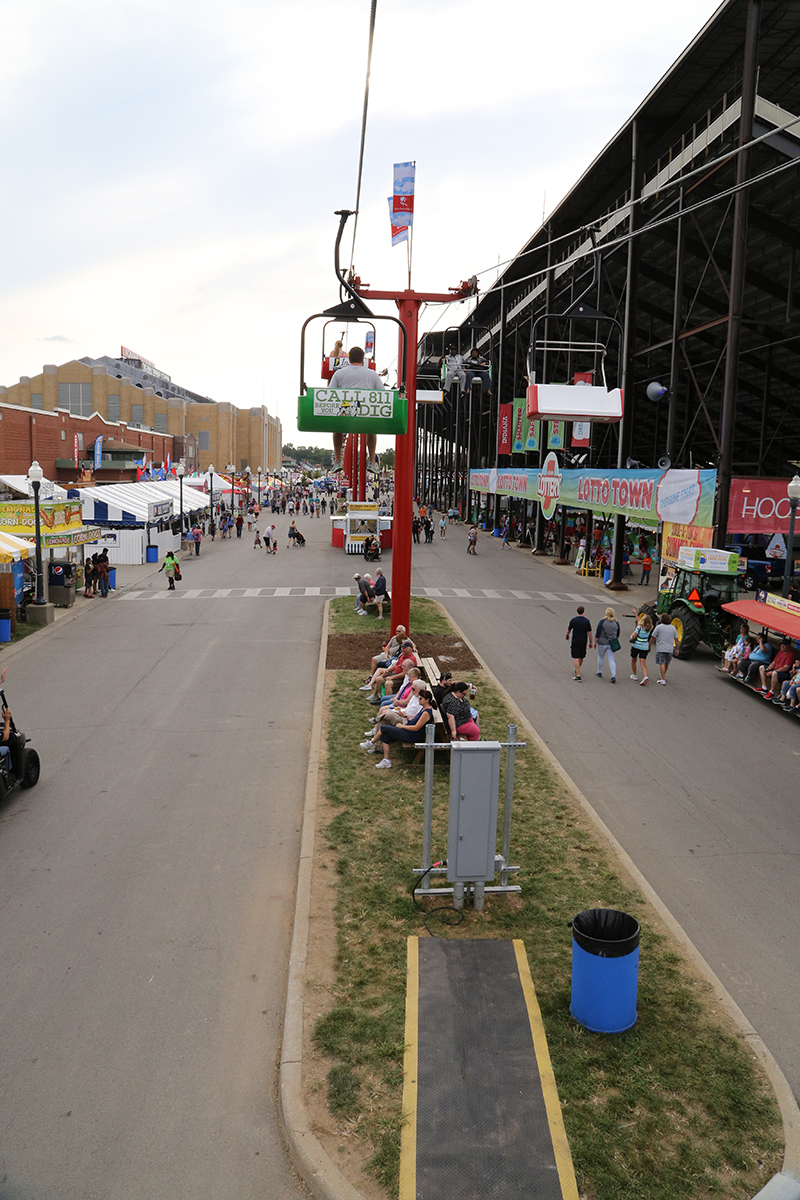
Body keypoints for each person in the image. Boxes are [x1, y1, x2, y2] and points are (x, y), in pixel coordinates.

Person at [329, 347, 383, 474]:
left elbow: (330, 393)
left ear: (349, 359)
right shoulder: (372, 374)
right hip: (366, 414)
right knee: (371, 429)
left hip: (346, 414)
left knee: (338, 429)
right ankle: (372, 461)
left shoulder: (339, 374)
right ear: (362, 359)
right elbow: (382, 393)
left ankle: (337, 460)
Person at [372, 689, 436, 768]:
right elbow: (414, 719)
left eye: (420, 698)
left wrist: (402, 726)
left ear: (427, 700)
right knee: (385, 735)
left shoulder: (426, 713)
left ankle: (372, 743)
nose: (419, 700)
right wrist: (405, 716)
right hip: (409, 731)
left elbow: (416, 728)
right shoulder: (423, 708)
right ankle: (386, 760)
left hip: (412, 735)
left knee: (384, 728)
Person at [566, 606, 593, 681]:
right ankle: (577, 669)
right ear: (583, 611)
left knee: (576, 657)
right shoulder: (586, 621)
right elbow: (589, 633)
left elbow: (569, 629)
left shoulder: (573, 620)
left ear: (577, 611)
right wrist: (591, 642)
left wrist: (567, 635)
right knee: (581, 656)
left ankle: (578, 675)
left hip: (575, 641)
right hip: (583, 641)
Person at [595, 607, 620, 682]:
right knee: (611, 659)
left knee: (601, 657)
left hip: (602, 642)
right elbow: (618, 633)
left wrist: (595, 640)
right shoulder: (616, 623)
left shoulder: (602, 621)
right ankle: (613, 675)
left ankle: (599, 671)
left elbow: (598, 632)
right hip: (611, 643)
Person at [653, 613, 680, 683]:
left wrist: (649, 645)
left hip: (661, 648)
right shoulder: (673, 628)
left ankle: (663, 679)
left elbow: (653, 637)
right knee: (667, 663)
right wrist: (677, 649)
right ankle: (663, 675)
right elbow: (677, 640)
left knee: (662, 662)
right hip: (670, 649)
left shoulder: (659, 627)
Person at [630, 612, 655, 684]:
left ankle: (634, 675)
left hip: (636, 646)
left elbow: (634, 636)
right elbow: (639, 621)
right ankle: (645, 676)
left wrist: (634, 631)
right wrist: (636, 615)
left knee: (634, 660)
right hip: (644, 647)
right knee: (643, 663)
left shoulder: (639, 627)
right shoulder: (649, 628)